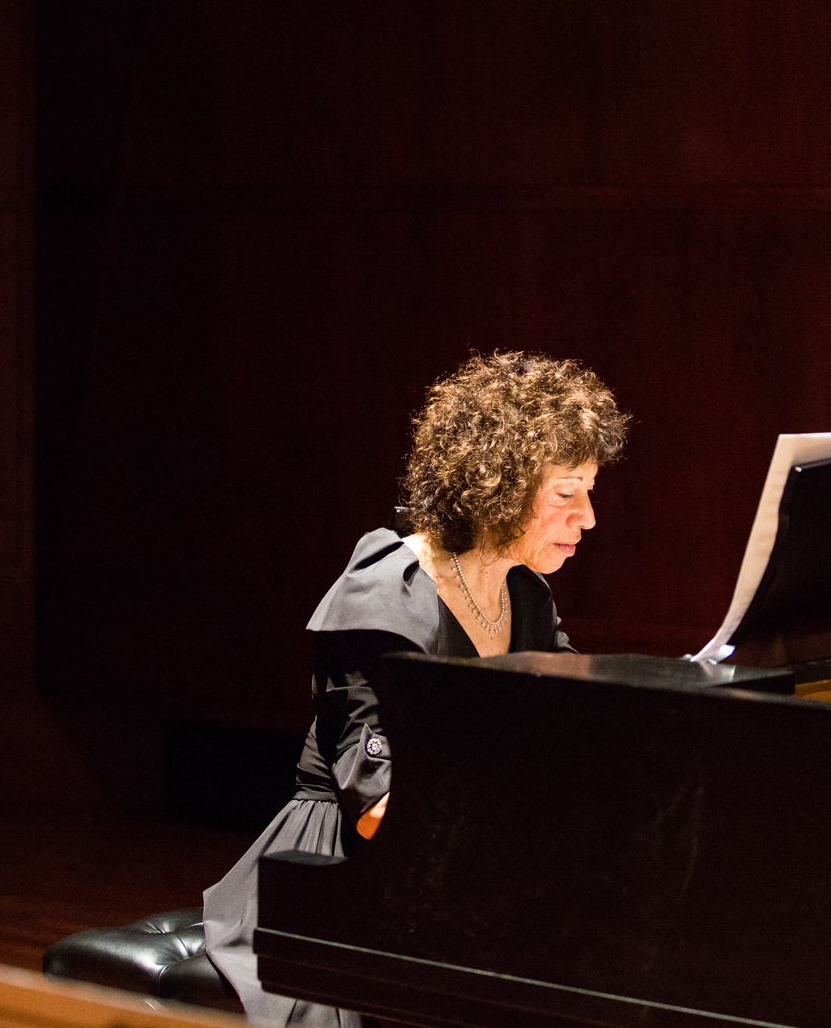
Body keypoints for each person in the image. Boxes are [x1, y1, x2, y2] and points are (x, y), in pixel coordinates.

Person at [202, 350, 629, 1026]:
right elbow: (378, 804)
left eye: (590, 491)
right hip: (339, 871)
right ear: (502, 484)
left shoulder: (526, 597)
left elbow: (576, 733)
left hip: (460, 861)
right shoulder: (382, 594)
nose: (590, 518)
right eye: (568, 493)